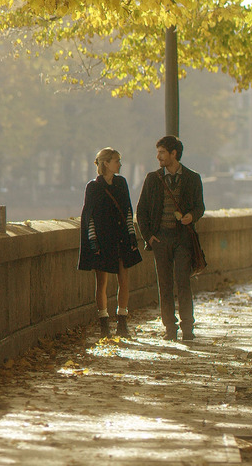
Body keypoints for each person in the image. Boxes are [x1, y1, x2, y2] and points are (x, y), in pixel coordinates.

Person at [136, 135, 205, 341]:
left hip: (183, 238)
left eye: (162, 153)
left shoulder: (193, 178)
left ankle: (187, 328)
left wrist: (191, 216)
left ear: (174, 154)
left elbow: (199, 207)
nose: (158, 157)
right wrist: (149, 237)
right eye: (158, 153)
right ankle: (169, 328)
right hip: (161, 239)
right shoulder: (153, 179)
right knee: (164, 284)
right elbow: (142, 211)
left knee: (183, 282)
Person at [77, 148, 143, 338]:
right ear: (106, 163)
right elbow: (88, 216)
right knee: (102, 282)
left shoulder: (121, 183)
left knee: (124, 279)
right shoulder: (93, 187)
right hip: (102, 239)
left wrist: (131, 235)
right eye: (116, 160)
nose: (119, 164)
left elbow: (127, 211)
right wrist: (92, 241)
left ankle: (122, 321)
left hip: (121, 236)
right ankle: (104, 324)